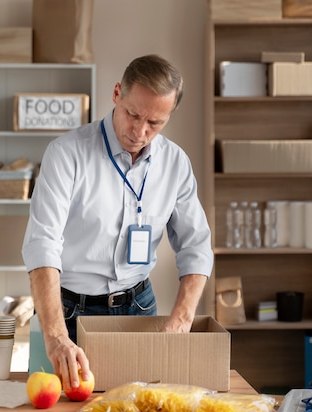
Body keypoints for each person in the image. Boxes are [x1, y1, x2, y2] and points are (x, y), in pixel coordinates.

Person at [22, 54, 213, 391]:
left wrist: (181, 320)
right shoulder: (67, 154)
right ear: (116, 94)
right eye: (133, 114)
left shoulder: (175, 164)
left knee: (141, 407)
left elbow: (195, 246)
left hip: (138, 307)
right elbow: (43, 244)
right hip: (67, 310)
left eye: (155, 123)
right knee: (54, 410)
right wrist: (55, 337)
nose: (140, 132)